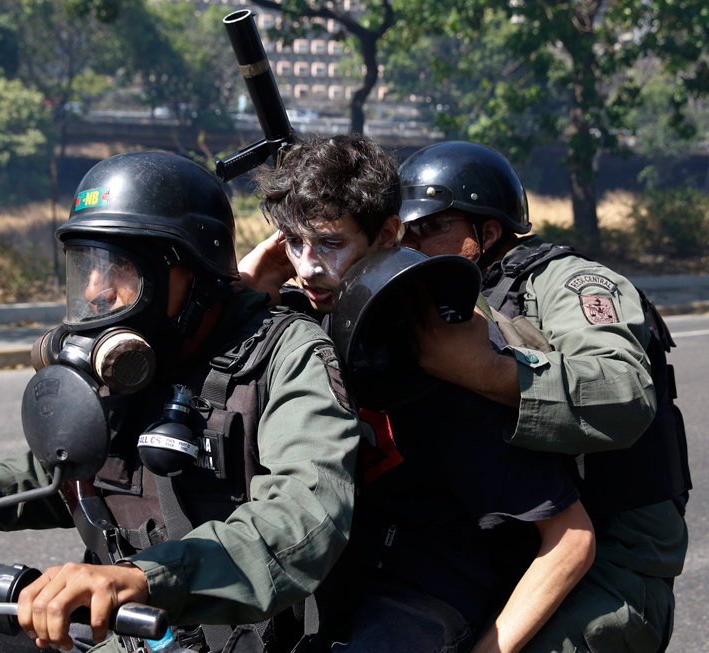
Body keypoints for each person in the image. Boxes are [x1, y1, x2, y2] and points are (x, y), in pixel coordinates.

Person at [0, 151, 361, 653]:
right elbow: (74, 474)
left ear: (192, 271)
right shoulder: (135, 360)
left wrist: (144, 579)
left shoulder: (286, 353)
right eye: (87, 264)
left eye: (120, 266)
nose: (94, 291)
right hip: (126, 637)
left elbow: (304, 515)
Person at [241, 133, 596, 653]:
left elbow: (570, 539)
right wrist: (250, 283)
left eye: (331, 243)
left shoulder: (437, 350)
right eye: (293, 243)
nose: (307, 267)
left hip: (427, 595)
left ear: (388, 233)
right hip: (333, 581)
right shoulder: (297, 324)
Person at [397, 140, 691, 652]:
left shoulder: (571, 284)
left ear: (486, 233)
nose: (413, 244)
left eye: (430, 228)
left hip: (612, 563)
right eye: (404, 232)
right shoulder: (440, 297)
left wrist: (487, 371)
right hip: (508, 549)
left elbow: (624, 391)